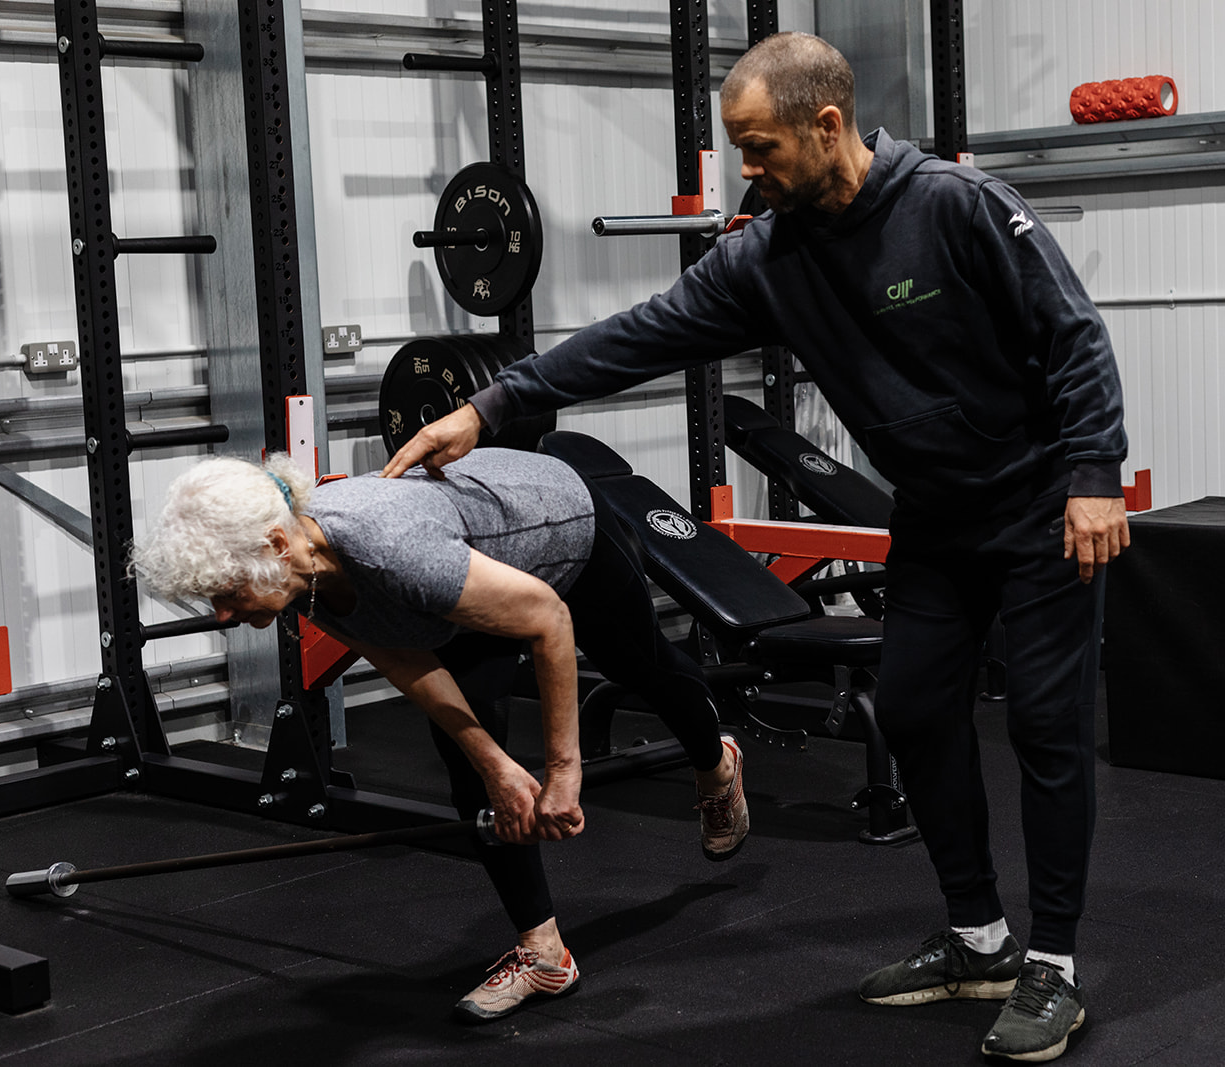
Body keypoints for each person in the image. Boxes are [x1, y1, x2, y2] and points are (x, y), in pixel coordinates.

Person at [382, 31, 1128, 1063]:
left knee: (1046, 730)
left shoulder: (953, 205)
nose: (749, 168)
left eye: (760, 144)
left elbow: (1074, 335)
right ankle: (977, 938)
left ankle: (1052, 961)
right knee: (912, 709)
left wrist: (1093, 475)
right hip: (936, 518)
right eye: (740, 147)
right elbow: (637, 331)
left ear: (828, 126)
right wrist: (497, 402)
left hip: (1043, 504)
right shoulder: (766, 258)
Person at [128, 448, 748, 1023]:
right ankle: (546, 956)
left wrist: (564, 772)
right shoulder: (305, 573)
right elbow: (406, 660)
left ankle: (715, 761)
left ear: (276, 545)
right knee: (468, 761)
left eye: (226, 593)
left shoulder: (389, 551)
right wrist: (496, 766)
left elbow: (549, 622)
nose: (224, 615)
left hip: (559, 526)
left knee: (644, 671)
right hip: (462, 567)